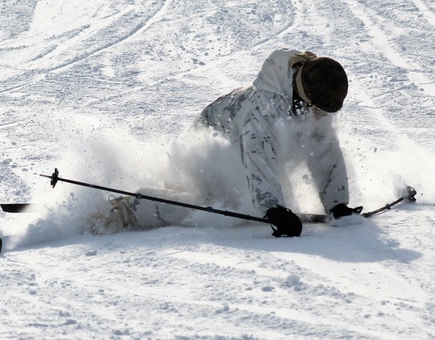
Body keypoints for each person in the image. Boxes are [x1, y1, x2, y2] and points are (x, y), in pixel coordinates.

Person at [90, 49, 362, 237]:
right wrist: (274, 209)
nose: (320, 116)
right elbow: (258, 156)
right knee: (227, 209)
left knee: (259, 200)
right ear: (306, 98)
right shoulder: (265, 109)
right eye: (318, 109)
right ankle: (128, 210)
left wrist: (336, 204)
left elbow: (325, 150)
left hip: (242, 143)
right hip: (215, 141)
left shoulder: (309, 97)